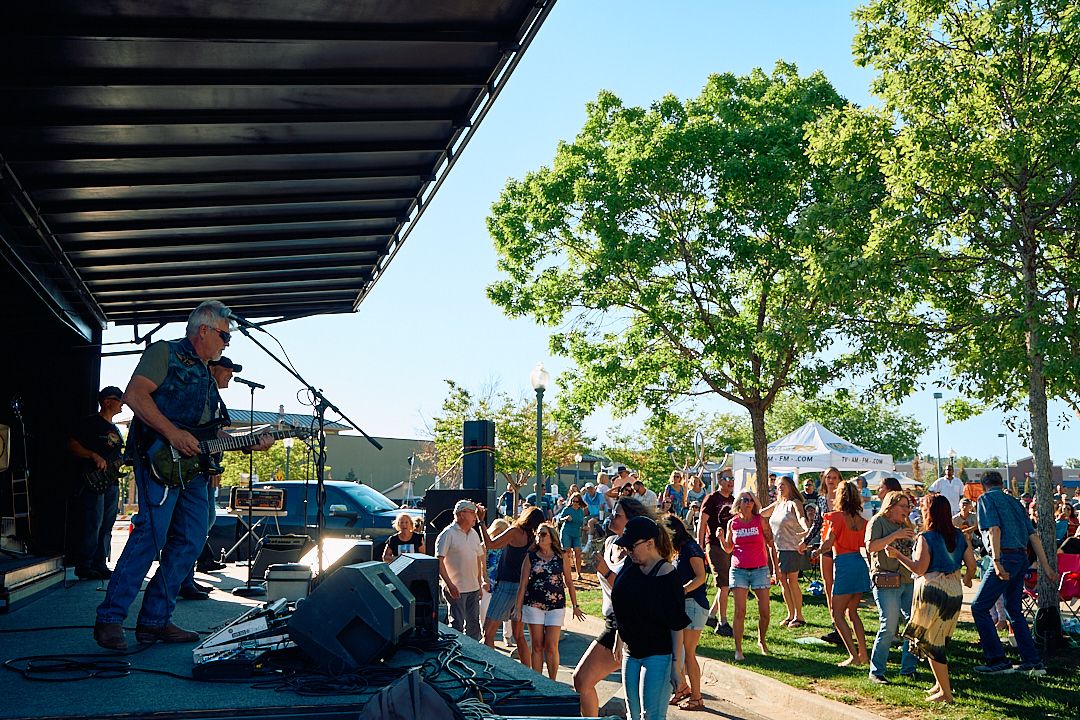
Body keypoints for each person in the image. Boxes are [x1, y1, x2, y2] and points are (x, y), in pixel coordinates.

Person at [93, 301, 275, 651]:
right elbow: (134, 396)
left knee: (191, 540)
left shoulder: (209, 375)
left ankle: (155, 621)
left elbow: (211, 434)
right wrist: (172, 433)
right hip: (158, 459)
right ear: (203, 330)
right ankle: (110, 619)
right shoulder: (165, 353)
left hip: (193, 470)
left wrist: (249, 443)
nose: (227, 343)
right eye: (224, 335)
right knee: (150, 536)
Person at [887, 495, 977, 703]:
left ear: (930, 512)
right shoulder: (960, 536)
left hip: (932, 592)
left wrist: (897, 556)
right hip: (954, 591)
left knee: (931, 641)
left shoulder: (926, 537)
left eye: (923, 507)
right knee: (940, 638)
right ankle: (939, 684)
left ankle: (946, 693)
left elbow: (919, 568)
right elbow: (971, 565)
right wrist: (968, 579)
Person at [970, 470, 1056, 676]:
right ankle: (1032, 661)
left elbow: (994, 530)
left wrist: (997, 561)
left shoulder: (985, 499)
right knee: (1014, 611)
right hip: (1020, 558)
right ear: (1001, 483)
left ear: (984, 485)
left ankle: (997, 659)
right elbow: (1033, 536)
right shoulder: (1016, 503)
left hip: (1004, 557)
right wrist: (1046, 567)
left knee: (979, 607)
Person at [572, 497, 652, 717]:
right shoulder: (610, 543)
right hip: (612, 621)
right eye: (613, 512)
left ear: (631, 521)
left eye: (618, 515)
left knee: (584, 680)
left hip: (628, 623)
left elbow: (632, 589)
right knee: (582, 681)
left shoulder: (636, 552)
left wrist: (606, 571)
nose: (611, 516)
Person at [611, 516, 689, 720]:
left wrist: (676, 666)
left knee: (651, 716)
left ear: (649, 543)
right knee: (633, 715)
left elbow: (677, 625)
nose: (628, 551)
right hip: (631, 651)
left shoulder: (667, 575)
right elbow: (624, 603)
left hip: (657, 655)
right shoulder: (631, 565)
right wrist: (619, 635)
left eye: (632, 546)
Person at [179, 354, 240, 600]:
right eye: (227, 370)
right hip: (193, 468)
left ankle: (187, 578)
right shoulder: (201, 391)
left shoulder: (214, 397)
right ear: (213, 368)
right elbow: (201, 434)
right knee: (193, 528)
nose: (231, 376)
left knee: (203, 524)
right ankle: (183, 580)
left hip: (204, 468)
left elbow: (211, 434)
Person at [67, 386, 126, 581]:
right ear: (107, 401)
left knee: (107, 524)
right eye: (118, 400)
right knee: (93, 522)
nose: (122, 403)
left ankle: (100, 564)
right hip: (93, 481)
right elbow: (73, 445)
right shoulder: (91, 423)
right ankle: (84, 565)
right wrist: (93, 455)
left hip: (111, 482)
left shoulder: (115, 428)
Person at [809, 481, 870, 667]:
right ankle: (864, 654)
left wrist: (816, 552)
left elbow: (828, 542)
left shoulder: (836, 518)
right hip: (859, 564)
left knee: (837, 614)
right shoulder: (863, 521)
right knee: (853, 612)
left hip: (844, 565)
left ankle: (853, 656)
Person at [514, 521, 585, 679]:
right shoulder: (530, 557)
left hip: (556, 605)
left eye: (543, 534)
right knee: (537, 645)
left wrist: (575, 605)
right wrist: (517, 608)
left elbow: (569, 581)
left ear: (552, 538)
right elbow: (523, 584)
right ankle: (538, 680)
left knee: (551, 645)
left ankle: (552, 681)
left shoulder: (561, 556)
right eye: (538, 533)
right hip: (534, 604)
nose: (540, 537)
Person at [477, 505, 544, 662]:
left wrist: (481, 522)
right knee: (518, 635)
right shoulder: (533, 538)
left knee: (489, 632)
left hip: (507, 587)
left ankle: (492, 670)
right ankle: (529, 673)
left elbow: (491, 544)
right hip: (523, 588)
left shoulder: (515, 532)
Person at [864, 490, 918, 684]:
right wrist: (895, 535)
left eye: (908, 506)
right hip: (886, 581)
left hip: (907, 580)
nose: (906, 510)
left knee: (913, 625)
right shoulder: (877, 521)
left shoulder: (906, 524)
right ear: (891, 506)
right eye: (903, 506)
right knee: (888, 626)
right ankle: (876, 671)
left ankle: (908, 669)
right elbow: (870, 547)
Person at [719, 489, 773, 661]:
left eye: (750, 500)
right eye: (744, 499)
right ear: (738, 504)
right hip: (739, 569)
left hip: (760, 568)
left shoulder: (760, 521)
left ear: (754, 503)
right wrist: (720, 538)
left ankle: (762, 640)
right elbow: (728, 548)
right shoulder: (733, 523)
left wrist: (776, 569)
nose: (747, 502)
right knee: (740, 610)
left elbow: (770, 542)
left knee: (765, 610)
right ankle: (738, 649)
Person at [662, 514, 708, 712]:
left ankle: (697, 698)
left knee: (689, 654)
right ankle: (682, 688)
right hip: (685, 605)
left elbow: (701, 577)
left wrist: (684, 590)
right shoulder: (681, 550)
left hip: (694, 604)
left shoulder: (691, 548)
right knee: (678, 651)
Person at [435, 499, 487, 640]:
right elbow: (439, 562)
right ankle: (455, 655)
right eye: (473, 513)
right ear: (462, 514)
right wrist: (449, 584)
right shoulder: (448, 534)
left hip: (473, 588)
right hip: (456, 589)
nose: (475, 517)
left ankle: (475, 656)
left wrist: (479, 582)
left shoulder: (474, 534)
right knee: (457, 624)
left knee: (474, 625)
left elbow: (478, 558)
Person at [763, 475, 809, 628]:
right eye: (778, 486)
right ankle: (790, 614)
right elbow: (761, 513)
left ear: (790, 486)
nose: (780, 488)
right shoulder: (777, 504)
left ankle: (799, 616)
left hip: (792, 548)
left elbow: (801, 517)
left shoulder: (794, 503)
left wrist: (806, 530)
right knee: (782, 581)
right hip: (777, 548)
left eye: (783, 485)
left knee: (792, 581)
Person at [805, 467, 842, 644]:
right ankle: (835, 622)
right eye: (828, 477)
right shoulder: (820, 499)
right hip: (824, 545)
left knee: (841, 585)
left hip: (842, 545)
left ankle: (843, 622)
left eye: (834, 477)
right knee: (828, 585)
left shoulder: (845, 498)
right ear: (824, 479)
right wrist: (805, 540)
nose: (832, 480)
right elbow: (817, 523)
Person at [700, 474, 735, 636]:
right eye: (727, 479)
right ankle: (723, 622)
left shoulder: (734, 499)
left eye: (732, 479)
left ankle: (711, 615)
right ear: (720, 481)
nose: (730, 482)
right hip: (714, 544)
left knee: (726, 584)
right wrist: (700, 545)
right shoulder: (712, 498)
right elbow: (702, 521)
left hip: (728, 545)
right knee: (724, 583)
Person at [555, 492, 586, 579]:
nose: (575, 503)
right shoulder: (567, 510)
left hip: (576, 534)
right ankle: (566, 573)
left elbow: (581, 523)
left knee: (578, 552)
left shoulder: (580, 511)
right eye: (573, 501)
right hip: (566, 532)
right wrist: (565, 518)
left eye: (577, 501)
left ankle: (579, 574)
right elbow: (559, 520)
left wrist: (584, 527)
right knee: (567, 553)